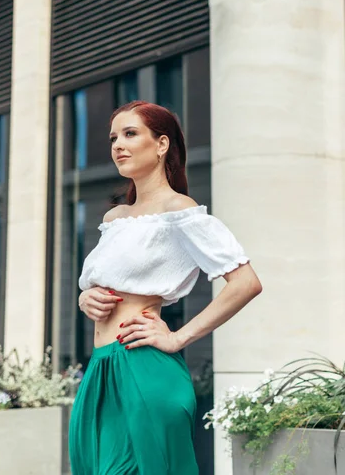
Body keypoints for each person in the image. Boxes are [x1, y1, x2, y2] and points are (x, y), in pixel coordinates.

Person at [69, 100, 262, 475]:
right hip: (101, 368)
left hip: (143, 365)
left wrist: (178, 338)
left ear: (161, 145)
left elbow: (246, 282)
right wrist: (84, 298)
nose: (117, 146)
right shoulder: (115, 218)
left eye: (130, 134)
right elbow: (104, 281)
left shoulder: (179, 211)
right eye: (113, 138)